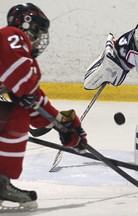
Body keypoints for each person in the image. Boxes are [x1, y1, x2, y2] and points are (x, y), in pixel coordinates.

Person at [0, 3, 87, 209]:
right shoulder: (11, 35)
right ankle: (1, 184)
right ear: (26, 24)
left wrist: (61, 123)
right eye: (38, 30)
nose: (39, 38)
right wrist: (60, 124)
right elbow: (27, 90)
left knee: (15, 111)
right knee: (17, 117)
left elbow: (31, 99)